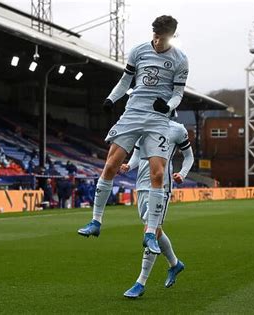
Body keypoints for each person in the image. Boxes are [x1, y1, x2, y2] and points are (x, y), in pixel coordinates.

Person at [78, 15, 189, 256]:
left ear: (172, 36)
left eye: (163, 37)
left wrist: (167, 107)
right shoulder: (138, 51)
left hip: (158, 119)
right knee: (110, 166)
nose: (158, 42)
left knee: (158, 174)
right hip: (133, 113)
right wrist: (111, 99)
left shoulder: (180, 60)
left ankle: (150, 232)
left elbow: (178, 94)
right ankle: (96, 222)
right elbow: (125, 80)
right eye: (156, 36)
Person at [119, 119, 194, 298]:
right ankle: (175, 264)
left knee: (150, 231)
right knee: (156, 231)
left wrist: (182, 174)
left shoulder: (177, 129)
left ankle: (140, 283)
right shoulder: (143, 124)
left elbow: (189, 156)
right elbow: (138, 154)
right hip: (142, 185)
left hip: (161, 186)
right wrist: (129, 165)